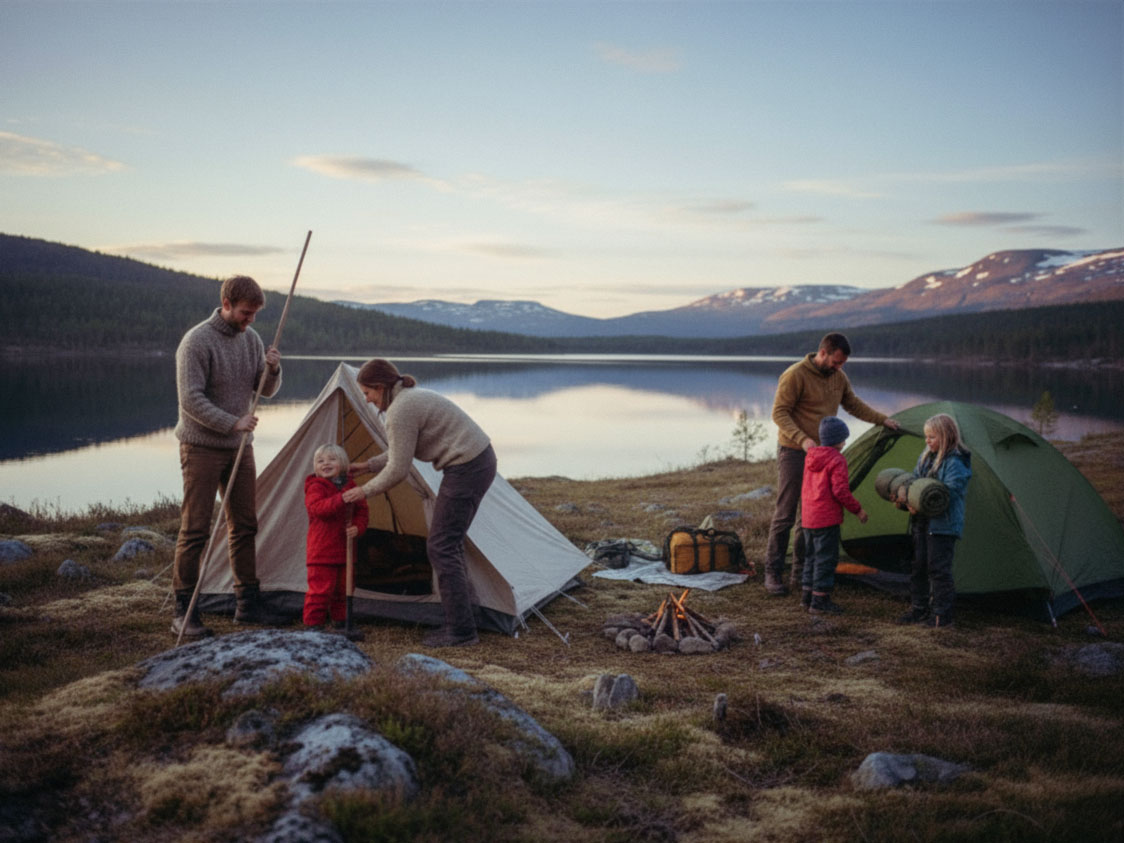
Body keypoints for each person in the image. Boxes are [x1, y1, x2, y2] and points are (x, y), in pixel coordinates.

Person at [342, 358, 496, 648]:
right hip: (476, 462)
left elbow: (399, 469)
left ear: (380, 387)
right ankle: (466, 618)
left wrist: (364, 491)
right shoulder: (406, 401)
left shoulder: (401, 409)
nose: (368, 400)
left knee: (441, 544)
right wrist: (367, 466)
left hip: (468, 467)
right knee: (448, 542)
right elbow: (401, 450)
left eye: (367, 393)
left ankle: (461, 631)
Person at [170, 275, 283, 638]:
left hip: (239, 449)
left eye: (255, 315)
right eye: (246, 313)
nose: (250, 320)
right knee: (196, 529)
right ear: (227, 303)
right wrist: (232, 423)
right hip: (201, 447)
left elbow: (263, 390)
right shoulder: (196, 341)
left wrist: (274, 369)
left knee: (245, 524)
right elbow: (190, 400)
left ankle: (247, 605)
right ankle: (184, 610)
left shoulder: (251, 340)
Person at [764, 332, 900, 596]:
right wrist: (803, 440)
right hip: (795, 451)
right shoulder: (795, 375)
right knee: (786, 513)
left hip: (824, 454)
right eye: (836, 362)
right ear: (823, 352)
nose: (839, 368)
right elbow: (779, 413)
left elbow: (853, 404)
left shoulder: (839, 378)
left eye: (843, 364)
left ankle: (801, 573)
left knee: (810, 516)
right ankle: (772, 572)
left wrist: (882, 420)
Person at [896, 413, 972, 628]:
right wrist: (907, 499)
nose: (927, 441)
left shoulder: (955, 462)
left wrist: (922, 500)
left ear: (946, 436)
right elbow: (915, 480)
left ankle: (942, 615)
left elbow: (951, 492)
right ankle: (919, 609)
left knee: (938, 569)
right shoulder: (926, 457)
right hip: (922, 522)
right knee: (919, 566)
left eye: (932, 437)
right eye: (926, 437)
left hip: (943, 526)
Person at [800, 416, 868, 614]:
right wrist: (858, 510)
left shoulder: (810, 457)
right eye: (844, 438)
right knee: (826, 559)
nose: (845, 442)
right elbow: (840, 491)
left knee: (811, 557)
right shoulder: (837, 459)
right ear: (838, 440)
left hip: (809, 518)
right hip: (826, 519)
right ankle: (820, 602)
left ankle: (807, 597)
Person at [304, 444, 369, 629]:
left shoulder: (351, 486)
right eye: (320, 461)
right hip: (321, 551)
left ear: (343, 464)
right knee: (320, 591)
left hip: (345, 550)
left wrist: (358, 527)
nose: (326, 464)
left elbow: (362, 511)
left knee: (343, 589)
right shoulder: (315, 486)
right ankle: (313, 625)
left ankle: (341, 621)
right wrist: (341, 499)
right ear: (315, 467)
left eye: (332, 459)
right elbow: (318, 509)